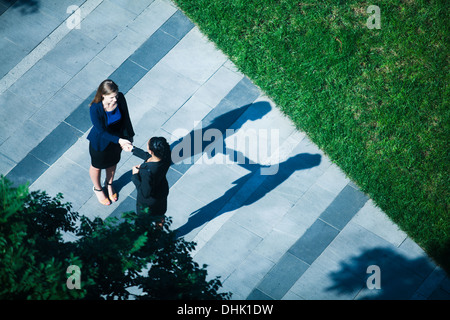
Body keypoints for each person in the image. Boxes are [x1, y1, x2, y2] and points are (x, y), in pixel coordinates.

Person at [87, 79, 134, 205]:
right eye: (112, 97)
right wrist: (120, 140)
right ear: (103, 95)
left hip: (117, 140)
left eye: (116, 96)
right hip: (100, 143)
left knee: (112, 164)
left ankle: (109, 184)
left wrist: (129, 137)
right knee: (97, 167)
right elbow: (101, 131)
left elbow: (126, 118)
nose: (115, 100)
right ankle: (98, 189)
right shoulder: (95, 108)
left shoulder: (120, 98)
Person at [131, 137, 171, 226]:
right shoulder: (166, 155)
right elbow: (151, 157)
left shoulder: (147, 171)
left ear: (151, 151)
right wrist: (133, 149)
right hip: (162, 192)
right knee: (160, 216)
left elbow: (145, 193)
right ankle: (158, 234)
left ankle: (147, 237)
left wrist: (135, 176)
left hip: (149, 202)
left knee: (143, 222)